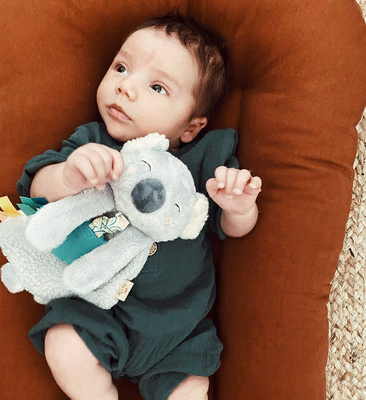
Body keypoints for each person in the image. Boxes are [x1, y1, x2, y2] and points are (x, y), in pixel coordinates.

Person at [17, 13, 262, 400]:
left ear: (191, 127)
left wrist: (238, 207)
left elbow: (233, 229)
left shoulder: (203, 164)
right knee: (62, 343)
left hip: (177, 330)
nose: (125, 87)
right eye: (121, 67)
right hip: (97, 311)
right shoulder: (92, 142)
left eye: (157, 87)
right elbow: (37, 191)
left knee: (190, 387)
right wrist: (69, 176)